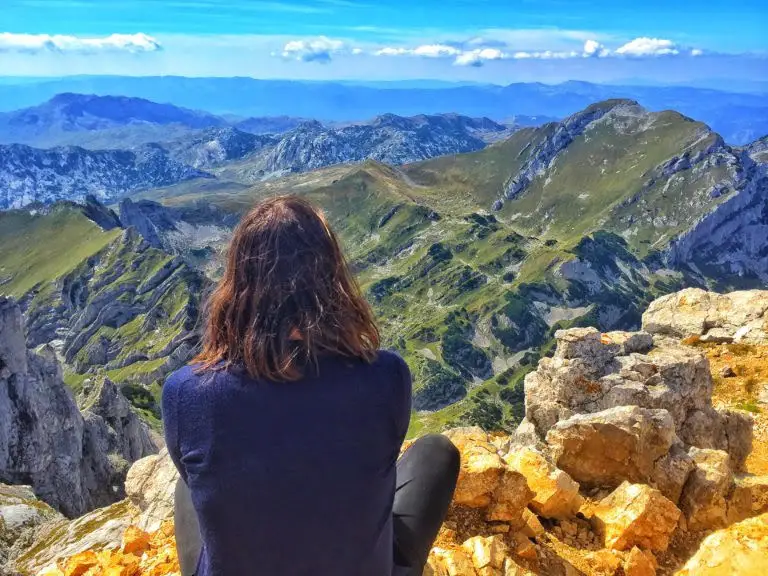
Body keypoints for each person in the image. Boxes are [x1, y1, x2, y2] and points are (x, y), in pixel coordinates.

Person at [162, 195, 460, 576]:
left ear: (237, 286)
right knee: (437, 452)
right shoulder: (386, 377)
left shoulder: (185, 393)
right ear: (332, 281)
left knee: (189, 487)